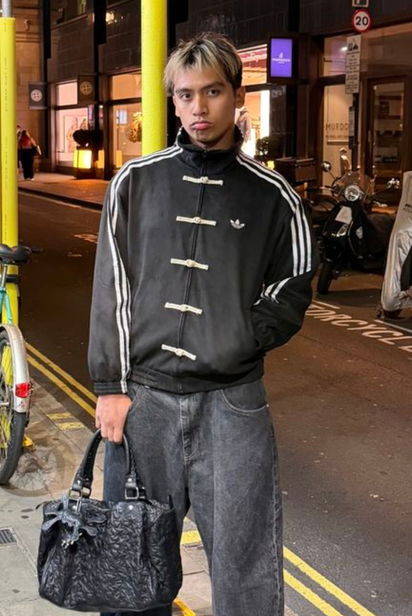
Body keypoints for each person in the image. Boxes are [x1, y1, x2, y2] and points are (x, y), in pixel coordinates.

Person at [88, 33, 318, 616]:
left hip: (233, 405)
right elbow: (112, 287)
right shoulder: (134, 182)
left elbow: (294, 283)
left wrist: (241, 338)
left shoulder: (274, 196)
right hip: (143, 403)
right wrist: (110, 387)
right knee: (135, 562)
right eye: (185, 95)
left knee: (246, 564)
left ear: (236, 95)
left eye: (212, 92)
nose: (198, 108)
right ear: (173, 101)